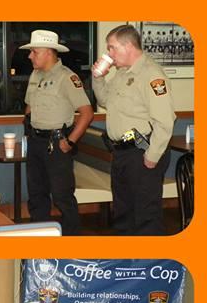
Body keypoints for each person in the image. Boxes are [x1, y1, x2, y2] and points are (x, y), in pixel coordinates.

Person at [92, 24, 176, 235]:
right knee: (123, 213)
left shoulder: (151, 74)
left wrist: (152, 156)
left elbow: (165, 121)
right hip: (122, 152)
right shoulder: (121, 74)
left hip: (142, 151)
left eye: (112, 48)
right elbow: (104, 101)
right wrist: (98, 77)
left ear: (128, 45)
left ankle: (149, 266)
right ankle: (126, 264)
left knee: (145, 217)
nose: (108, 54)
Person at [20, 29, 94, 234]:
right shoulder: (35, 75)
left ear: (49, 52)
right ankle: (40, 238)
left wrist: (69, 142)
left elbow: (87, 113)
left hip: (57, 144)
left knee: (62, 197)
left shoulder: (67, 78)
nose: (30, 56)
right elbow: (29, 106)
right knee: (36, 195)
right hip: (35, 142)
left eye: (34, 52)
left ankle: (71, 244)